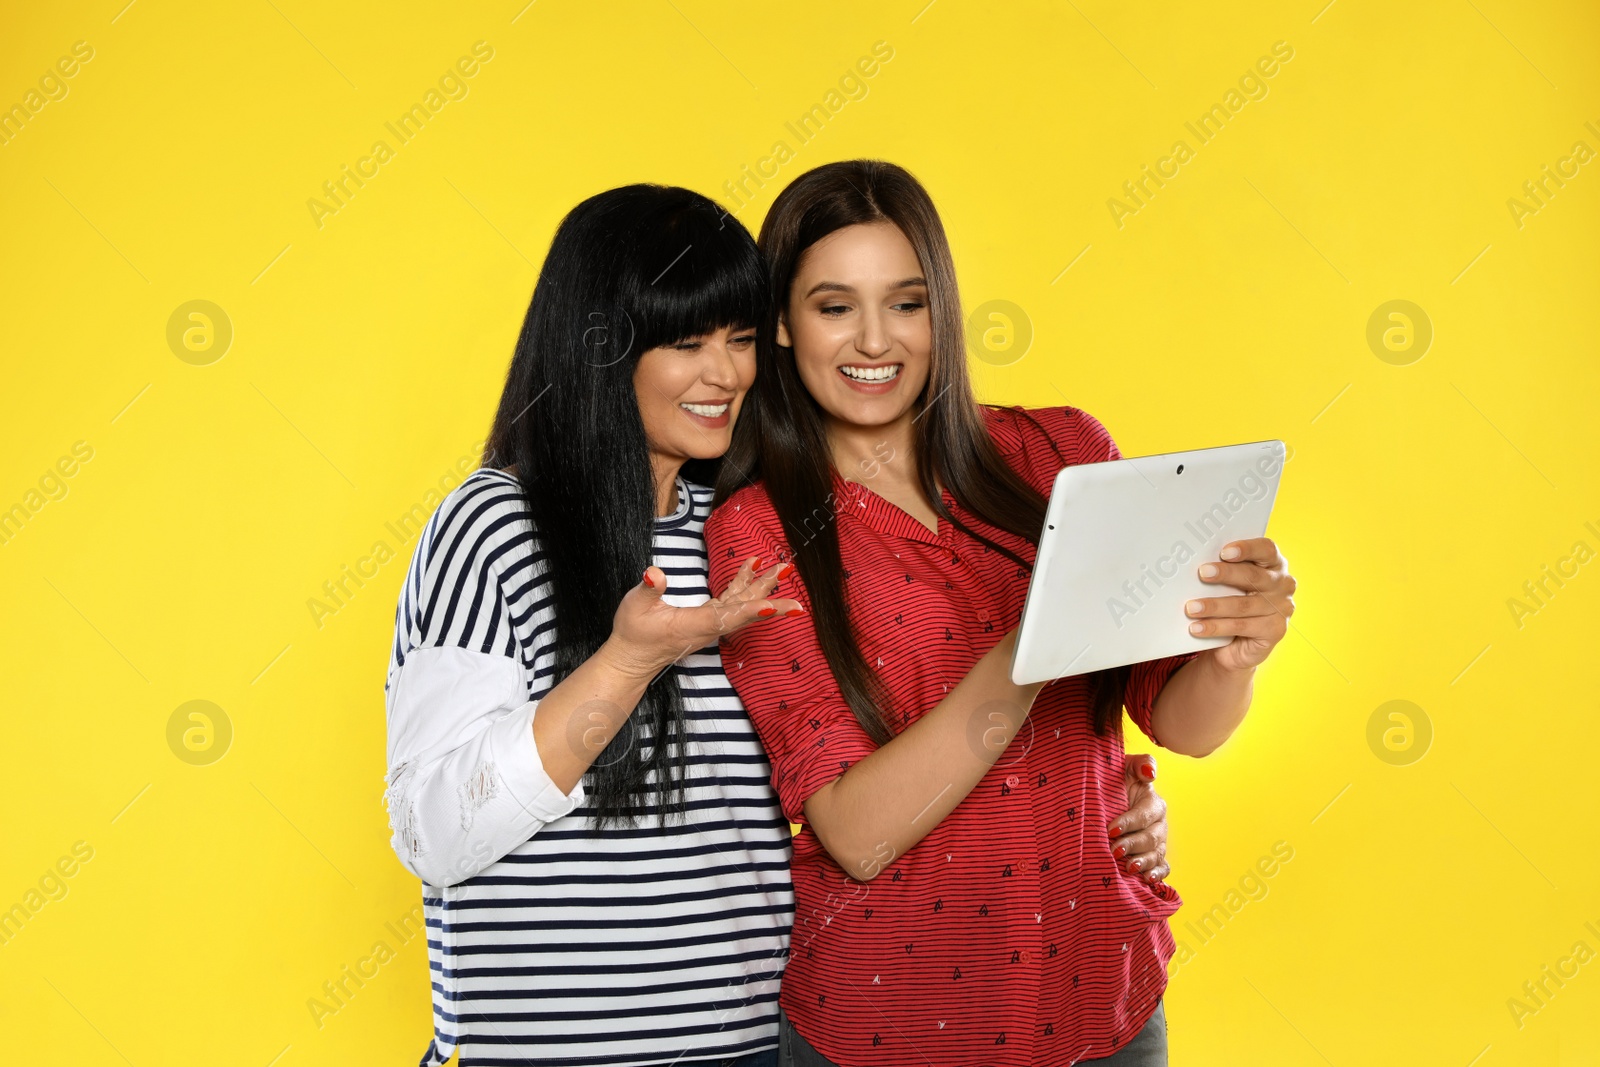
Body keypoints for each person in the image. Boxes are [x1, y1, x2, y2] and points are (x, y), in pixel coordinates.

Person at [706, 160, 1298, 1066]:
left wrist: (1233, 653)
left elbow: (1179, 725)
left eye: (906, 302)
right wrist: (1036, 641)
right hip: (889, 1018)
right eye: (834, 306)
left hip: (1104, 991)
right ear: (783, 324)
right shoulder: (759, 530)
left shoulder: (1063, 450)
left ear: (941, 309)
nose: (876, 338)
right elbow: (855, 836)